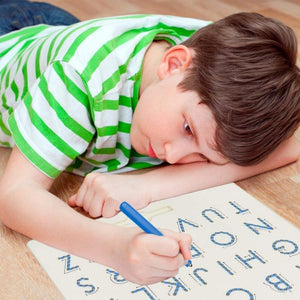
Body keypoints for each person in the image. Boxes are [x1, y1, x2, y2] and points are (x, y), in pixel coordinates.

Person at [0, 0, 299, 285]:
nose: (172, 156)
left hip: (56, 34)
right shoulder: (78, 77)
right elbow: (14, 195)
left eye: (205, 157)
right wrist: (111, 247)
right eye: (187, 129)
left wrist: (146, 186)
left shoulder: (230, 73)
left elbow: (291, 146)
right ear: (173, 64)